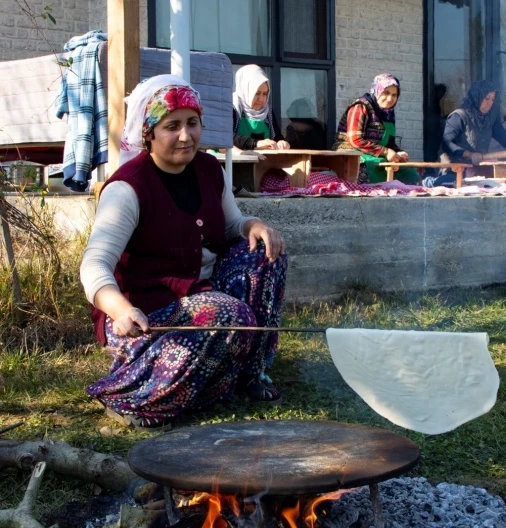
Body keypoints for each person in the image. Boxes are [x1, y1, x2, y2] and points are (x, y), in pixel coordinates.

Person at [81, 75, 287, 430]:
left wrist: (253, 225)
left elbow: (229, 224)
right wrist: (120, 309)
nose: (185, 136)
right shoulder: (129, 188)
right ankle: (136, 395)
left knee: (265, 255)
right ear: (149, 133)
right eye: (171, 126)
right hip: (144, 311)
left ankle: (250, 372)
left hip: (201, 294)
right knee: (226, 312)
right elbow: (94, 263)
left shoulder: (209, 168)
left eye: (192, 124)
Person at [333, 73, 418, 184]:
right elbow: (355, 140)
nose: (389, 99)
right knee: (366, 170)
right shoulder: (361, 106)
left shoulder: (388, 114)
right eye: (386, 93)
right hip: (351, 155)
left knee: (410, 173)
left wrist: (398, 153)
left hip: (377, 156)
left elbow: (389, 143)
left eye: (394, 95)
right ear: (377, 90)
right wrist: (386, 152)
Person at [440, 80, 506, 166]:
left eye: (492, 99)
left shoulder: (489, 119)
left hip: (476, 170)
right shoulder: (459, 116)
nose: (490, 103)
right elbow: (447, 144)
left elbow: (504, 138)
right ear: (477, 96)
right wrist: (469, 154)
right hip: (455, 170)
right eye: (487, 98)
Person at [233, 64, 290, 151]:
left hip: (263, 163)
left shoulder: (268, 111)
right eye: (257, 93)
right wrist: (256, 143)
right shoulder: (232, 107)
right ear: (245, 90)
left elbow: (275, 137)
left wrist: (281, 142)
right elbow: (226, 137)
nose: (261, 99)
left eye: (265, 94)